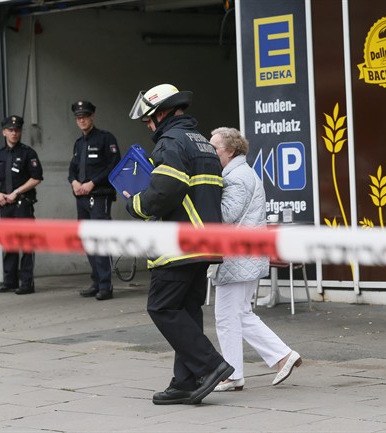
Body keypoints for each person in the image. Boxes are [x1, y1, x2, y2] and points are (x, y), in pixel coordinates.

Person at [125, 83, 233, 405]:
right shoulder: (201, 143)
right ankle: (185, 383)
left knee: (161, 306)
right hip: (204, 242)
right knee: (186, 310)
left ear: (163, 113)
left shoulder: (171, 141)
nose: (148, 125)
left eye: (149, 119)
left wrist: (136, 205)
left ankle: (211, 365)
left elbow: (167, 188)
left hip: (180, 244)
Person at [208, 127, 302, 392]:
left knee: (227, 317)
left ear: (231, 150)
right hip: (246, 255)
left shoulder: (235, 177)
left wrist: (205, 194)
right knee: (240, 314)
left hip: (238, 257)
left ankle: (233, 374)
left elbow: (226, 215)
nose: (211, 152)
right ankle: (281, 356)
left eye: (215, 148)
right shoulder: (242, 173)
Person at [68, 100, 121, 301]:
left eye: (85, 116)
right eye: (78, 118)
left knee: (100, 239)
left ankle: (106, 286)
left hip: (99, 196)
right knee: (88, 240)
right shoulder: (79, 143)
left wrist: (93, 183)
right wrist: (73, 181)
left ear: (92, 117)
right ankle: (96, 281)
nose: (82, 120)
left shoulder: (106, 139)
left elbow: (114, 165)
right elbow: (72, 168)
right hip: (81, 197)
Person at [0, 115, 43, 295]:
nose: (14, 133)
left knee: (26, 243)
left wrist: (16, 192)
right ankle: (9, 281)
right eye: (11, 130)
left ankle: (26, 283)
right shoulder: (0, 155)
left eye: (17, 130)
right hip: (5, 205)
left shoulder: (28, 153)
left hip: (22, 204)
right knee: (9, 243)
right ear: (4, 132)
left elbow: (36, 178)